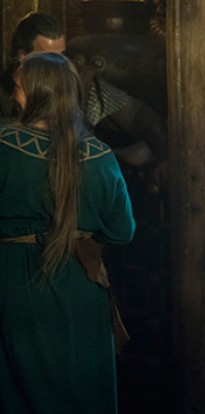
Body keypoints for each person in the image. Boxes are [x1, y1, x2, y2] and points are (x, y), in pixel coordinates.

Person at [0, 52, 135, 413]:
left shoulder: (4, 145)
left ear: (39, 93)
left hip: (17, 284)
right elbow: (122, 231)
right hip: (80, 289)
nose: (12, 96)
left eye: (18, 88)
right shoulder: (100, 155)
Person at [1, 12, 168, 177]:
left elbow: (139, 115)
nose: (59, 66)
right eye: (49, 58)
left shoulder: (81, 84)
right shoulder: (5, 95)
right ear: (23, 57)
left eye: (61, 56)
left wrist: (164, 158)